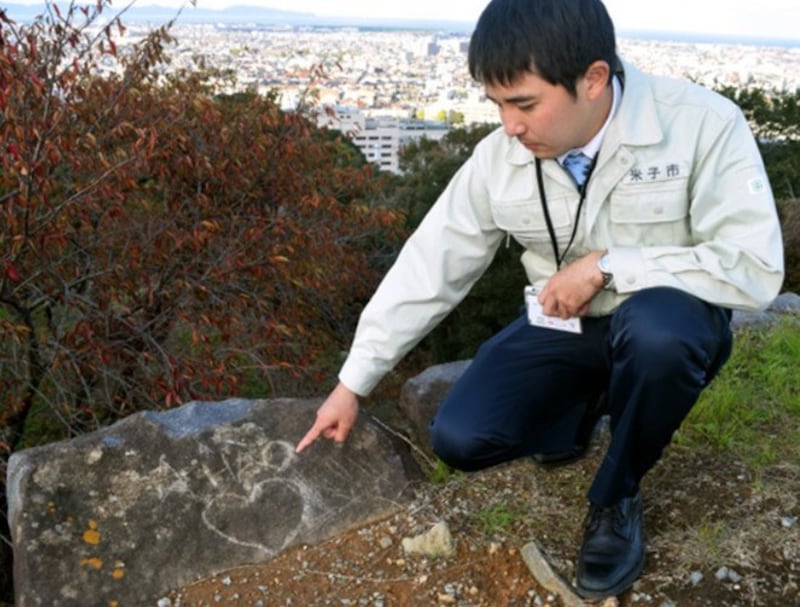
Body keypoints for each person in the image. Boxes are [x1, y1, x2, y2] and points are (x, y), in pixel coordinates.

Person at [296, 0, 784, 599]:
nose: (509, 126)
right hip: (566, 328)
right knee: (462, 438)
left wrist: (608, 267)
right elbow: (432, 264)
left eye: (524, 104)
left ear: (594, 79)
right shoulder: (501, 158)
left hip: (667, 321)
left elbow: (756, 267)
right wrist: (353, 383)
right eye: (498, 104)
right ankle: (586, 411)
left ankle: (616, 495)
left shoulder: (702, 124)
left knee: (659, 335)